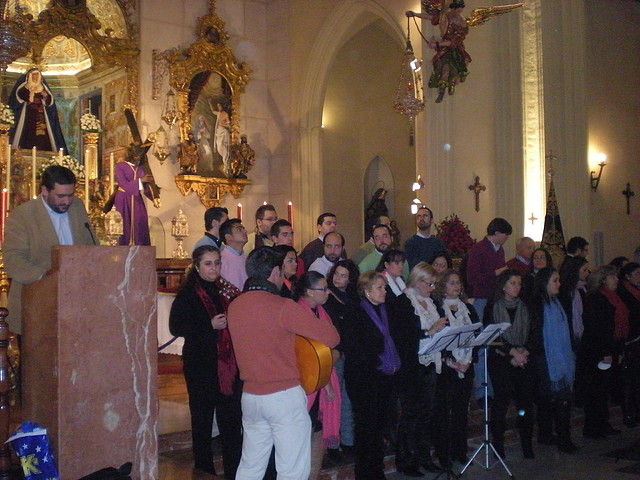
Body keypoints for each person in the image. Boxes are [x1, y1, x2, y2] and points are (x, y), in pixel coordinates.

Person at [227, 246, 339, 480]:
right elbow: (332, 338)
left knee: (250, 466)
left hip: (250, 396)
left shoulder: (235, 306)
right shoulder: (282, 307)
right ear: (275, 272)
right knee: (292, 470)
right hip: (283, 396)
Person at [168, 245, 243, 478]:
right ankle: (203, 470)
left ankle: (234, 470)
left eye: (217, 263)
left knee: (231, 421)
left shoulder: (226, 290)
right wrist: (209, 326)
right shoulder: (189, 293)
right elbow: (176, 327)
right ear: (197, 267)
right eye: (208, 264)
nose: (214, 268)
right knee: (202, 420)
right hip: (201, 365)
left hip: (227, 365)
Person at [4, 165, 95, 334]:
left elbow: (90, 246)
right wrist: (46, 276)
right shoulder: (23, 215)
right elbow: (13, 260)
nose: (66, 201)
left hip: (75, 303)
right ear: (44, 190)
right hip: (35, 303)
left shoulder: (77, 206)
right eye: (60, 196)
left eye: (70, 195)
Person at [387, 262, 448, 475]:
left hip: (430, 363)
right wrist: (431, 331)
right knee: (409, 415)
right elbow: (402, 337)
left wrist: (442, 332)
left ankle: (424, 457)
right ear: (418, 280)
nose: (432, 287)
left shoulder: (429, 302)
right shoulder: (403, 302)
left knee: (426, 414)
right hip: (411, 366)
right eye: (430, 283)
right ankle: (406, 461)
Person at [341, 270, 403, 480]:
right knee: (366, 427)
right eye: (379, 287)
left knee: (380, 426)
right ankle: (366, 473)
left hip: (384, 377)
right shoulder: (355, 312)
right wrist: (377, 360)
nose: (384, 291)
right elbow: (353, 347)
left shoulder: (386, 310)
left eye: (384, 287)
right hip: (364, 378)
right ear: (367, 291)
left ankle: (377, 470)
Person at [293, 271, 341, 480]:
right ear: (309, 292)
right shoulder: (297, 313)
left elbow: (334, 343)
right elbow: (305, 354)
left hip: (323, 375)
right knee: (304, 430)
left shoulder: (322, 311)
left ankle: (312, 475)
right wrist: (325, 383)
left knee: (317, 431)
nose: (327, 292)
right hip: (306, 383)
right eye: (323, 289)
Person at [486, 269, 535, 459]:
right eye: (513, 283)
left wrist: (524, 351)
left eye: (519, 283)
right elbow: (492, 335)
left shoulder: (526, 305)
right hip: (501, 360)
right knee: (501, 402)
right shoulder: (493, 306)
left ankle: (527, 444)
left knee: (525, 404)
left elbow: (535, 330)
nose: (517, 287)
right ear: (504, 285)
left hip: (523, 358)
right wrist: (512, 352)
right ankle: (499, 445)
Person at [529, 267, 578, 454]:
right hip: (545, 358)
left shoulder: (557, 302)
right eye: (555, 280)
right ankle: (554, 437)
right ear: (544, 283)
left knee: (560, 399)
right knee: (550, 399)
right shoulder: (537, 304)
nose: (559, 284)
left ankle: (559, 436)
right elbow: (535, 332)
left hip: (560, 357)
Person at [432, 270, 478, 466]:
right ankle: (444, 454)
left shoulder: (468, 307)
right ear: (443, 286)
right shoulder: (438, 309)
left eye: (458, 283)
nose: (456, 286)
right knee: (443, 413)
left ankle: (460, 450)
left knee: (461, 411)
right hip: (447, 369)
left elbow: (477, 334)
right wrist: (452, 362)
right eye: (451, 283)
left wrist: (467, 361)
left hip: (465, 367)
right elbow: (438, 340)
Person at [466, 217, 512, 401]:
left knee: (496, 344)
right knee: (482, 345)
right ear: (497, 233)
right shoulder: (478, 249)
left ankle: (495, 386)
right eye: (505, 234)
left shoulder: (499, 249)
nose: (506, 238)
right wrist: (497, 273)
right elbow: (472, 278)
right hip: (482, 300)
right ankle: (482, 390)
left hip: (495, 300)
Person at [579, 265, 627, 440]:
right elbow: (597, 327)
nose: (616, 280)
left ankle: (603, 423)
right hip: (597, 350)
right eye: (613, 277)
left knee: (605, 388)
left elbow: (618, 325)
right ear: (603, 279)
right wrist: (605, 352)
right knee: (596, 389)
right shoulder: (596, 298)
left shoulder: (613, 297)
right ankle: (593, 427)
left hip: (611, 347)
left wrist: (619, 349)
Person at [324, 260, 360, 458]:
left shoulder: (353, 297)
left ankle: (348, 441)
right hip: (335, 352)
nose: (338, 278)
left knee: (347, 397)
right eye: (336, 274)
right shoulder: (327, 296)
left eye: (343, 275)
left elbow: (354, 319)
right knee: (334, 398)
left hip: (350, 352)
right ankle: (333, 443)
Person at [9, 67, 68, 153]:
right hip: (28, 116)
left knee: (43, 136)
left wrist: (45, 96)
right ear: (29, 76)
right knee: (28, 133)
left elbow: (50, 103)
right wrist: (30, 93)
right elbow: (19, 98)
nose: (35, 77)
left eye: (37, 74)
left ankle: (43, 151)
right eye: (34, 75)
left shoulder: (43, 87)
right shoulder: (24, 87)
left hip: (41, 116)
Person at [114, 143, 160, 246]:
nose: (137, 158)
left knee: (140, 222)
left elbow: (147, 186)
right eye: (135, 155)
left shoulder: (141, 169)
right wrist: (140, 181)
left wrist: (154, 196)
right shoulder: (120, 166)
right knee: (125, 225)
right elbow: (123, 184)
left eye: (139, 156)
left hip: (137, 200)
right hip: (123, 199)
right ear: (130, 154)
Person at [616, 262, 640, 427]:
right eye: (637, 273)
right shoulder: (625, 292)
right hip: (630, 341)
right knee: (630, 380)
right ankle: (630, 414)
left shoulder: (635, 291)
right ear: (628, 276)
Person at [219, 218, 249, 290]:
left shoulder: (247, 258)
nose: (245, 231)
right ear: (228, 237)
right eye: (239, 229)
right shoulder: (221, 260)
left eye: (243, 228)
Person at [209, 100, 231, 176]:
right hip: (218, 132)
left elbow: (229, 126)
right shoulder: (218, 113)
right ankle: (225, 163)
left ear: (222, 106)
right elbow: (212, 111)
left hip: (223, 133)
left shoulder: (225, 114)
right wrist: (210, 102)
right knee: (219, 147)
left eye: (219, 106)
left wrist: (223, 124)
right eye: (218, 106)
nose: (219, 107)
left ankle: (226, 165)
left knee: (223, 147)